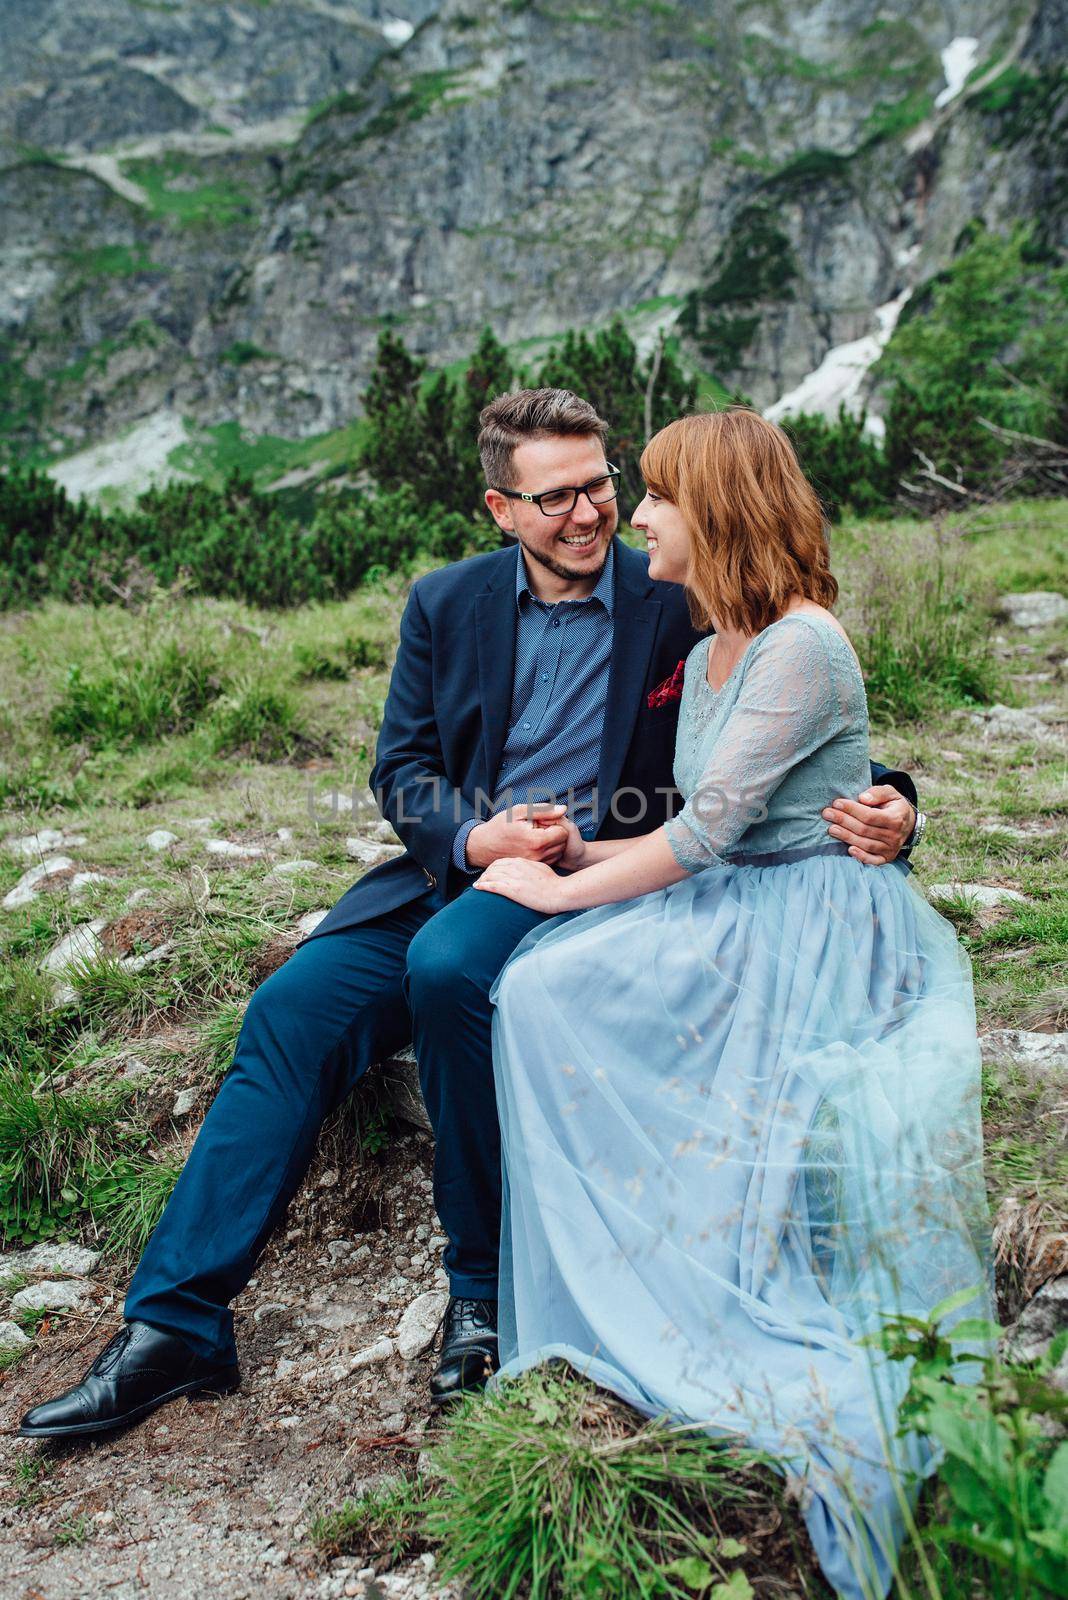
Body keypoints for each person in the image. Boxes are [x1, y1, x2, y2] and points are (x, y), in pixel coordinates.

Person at [18, 393, 921, 1441]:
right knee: (290, 1012)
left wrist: (895, 801)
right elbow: (399, 767)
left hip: (606, 872)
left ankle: (482, 1291)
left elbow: (793, 721)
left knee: (453, 971)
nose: (591, 515)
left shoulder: (681, 584)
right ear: (500, 506)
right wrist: (471, 839)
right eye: (557, 498)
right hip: (451, 872)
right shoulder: (445, 604)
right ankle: (174, 1327)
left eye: (602, 486)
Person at [472, 408, 991, 1599]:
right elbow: (697, 820)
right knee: (546, 992)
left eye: (656, 496)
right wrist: (565, 856)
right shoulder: (715, 639)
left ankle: (673, 1275)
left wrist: (553, 898)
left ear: (719, 513)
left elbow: (709, 834)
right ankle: (622, 1255)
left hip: (807, 916)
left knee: (551, 972)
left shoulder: (801, 645)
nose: (635, 516)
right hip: (737, 896)